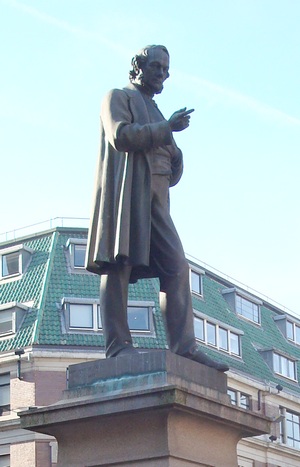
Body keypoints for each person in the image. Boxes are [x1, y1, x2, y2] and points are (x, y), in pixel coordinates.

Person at [86, 45, 229, 372]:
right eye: (156, 67)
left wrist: (177, 157)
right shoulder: (117, 97)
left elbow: (169, 162)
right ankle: (118, 346)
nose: (163, 74)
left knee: (177, 265)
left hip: (158, 200)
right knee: (117, 264)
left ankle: (183, 347)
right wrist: (168, 130)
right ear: (137, 67)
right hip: (128, 194)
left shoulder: (154, 108)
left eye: (166, 69)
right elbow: (121, 135)